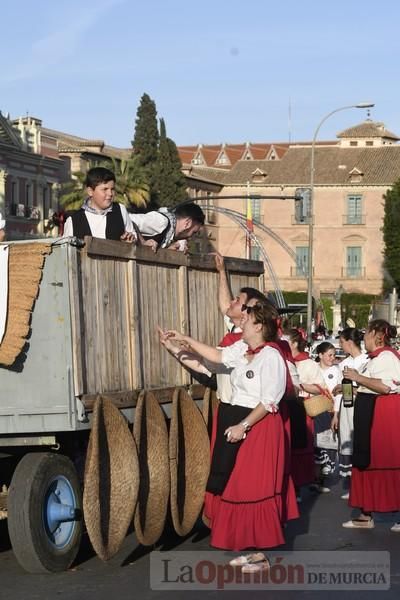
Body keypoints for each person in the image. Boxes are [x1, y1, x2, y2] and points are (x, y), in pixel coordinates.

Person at [341, 319, 400, 532]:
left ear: (376, 334)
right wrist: (353, 387)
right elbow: (371, 387)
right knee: (366, 461)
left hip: (383, 418)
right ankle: (366, 514)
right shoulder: (374, 358)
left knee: (386, 462)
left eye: (366, 333)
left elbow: (386, 386)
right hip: (371, 415)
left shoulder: (387, 356)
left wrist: (358, 377)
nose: (363, 337)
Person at [288, 329, 328, 495]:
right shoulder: (282, 360)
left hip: (302, 409)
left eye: (287, 340)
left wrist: (299, 385)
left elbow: (321, 388)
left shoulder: (308, 363)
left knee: (300, 448)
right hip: (286, 408)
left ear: (295, 343)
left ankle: (298, 486)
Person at [332, 328, 369, 499]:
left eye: (341, 342)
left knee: (359, 442)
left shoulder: (366, 361)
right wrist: (336, 414)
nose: (340, 345)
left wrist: (347, 387)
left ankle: (360, 484)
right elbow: (341, 393)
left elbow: (366, 388)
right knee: (347, 441)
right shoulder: (343, 364)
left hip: (360, 406)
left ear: (349, 342)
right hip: (346, 407)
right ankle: (352, 483)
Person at [63, 167, 136, 242]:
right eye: (105, 189)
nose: (110, 194)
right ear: (90, 191)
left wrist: (130, 240)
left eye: (112, 189)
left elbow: (133, 239)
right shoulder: (73, 221)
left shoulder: (120, 210)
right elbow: (66, 250)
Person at [313, 342, 341, 490]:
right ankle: (318, 480)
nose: (332, 358)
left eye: (334, 355)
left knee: (330, 443)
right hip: (316, 410)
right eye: (329, 355)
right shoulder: (313, 369)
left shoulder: (336, 371)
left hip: (331, 412)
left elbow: (339, 393)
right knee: (317, 443)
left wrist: (336, 413)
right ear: (320, 355)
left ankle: (324, 476)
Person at [130, 202, 205, 252]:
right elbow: (128, 219)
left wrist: (168, 250)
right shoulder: (161, 222)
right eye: (193, 232)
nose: (191, 237)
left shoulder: (169, 234)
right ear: (187, 223)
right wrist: (142, 242)